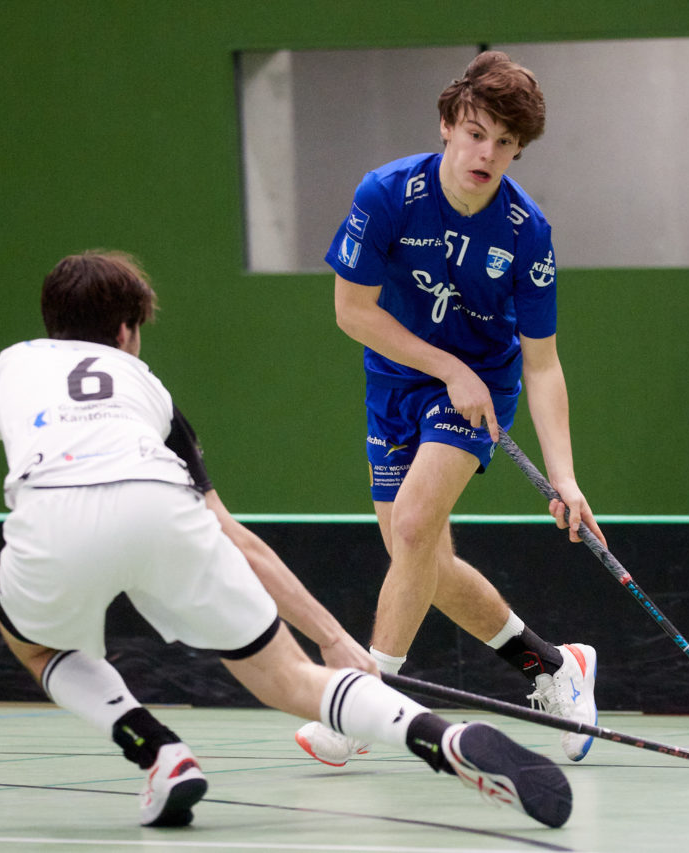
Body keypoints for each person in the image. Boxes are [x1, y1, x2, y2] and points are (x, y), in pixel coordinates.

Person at [0, 250, 573, 830]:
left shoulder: (7, 367)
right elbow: (236, 537)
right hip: (162, 506)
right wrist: (334, 638)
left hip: (52, 517)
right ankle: (439, 735)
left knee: (37, 645)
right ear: (126, 331)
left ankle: (158, 751)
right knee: (287, 676)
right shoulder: (148, 389)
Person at [295, 51, 603, 768]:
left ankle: (365, 705)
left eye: (505, 143)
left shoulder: (526, 232)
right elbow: (351, 311)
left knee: (411, 526)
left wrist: (565, 477)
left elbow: (543, 363)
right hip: (399, 382)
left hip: (480, 389)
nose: (486, 154)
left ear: (519, 151)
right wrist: (445, 367)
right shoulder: (386, 195)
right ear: (446, 125)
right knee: (422, 558)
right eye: (475, 133)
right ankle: (556, 666)